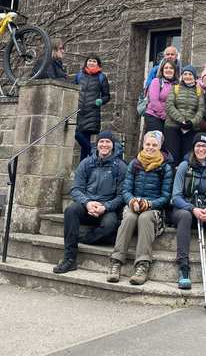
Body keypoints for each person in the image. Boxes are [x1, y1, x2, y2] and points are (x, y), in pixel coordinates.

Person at [54, 130, 127, 274]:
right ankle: (69, 259)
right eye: (101, 142)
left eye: (108, 142)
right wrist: (87, 203)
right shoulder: (87, 163)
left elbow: (121, 196)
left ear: (113, 145)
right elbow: (75, 189)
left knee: (110, 224)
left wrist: (105, 207)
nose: (104, 145)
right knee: (71, 210)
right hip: (87, 205)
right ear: (97, 144)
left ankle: (79, 236)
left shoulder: (120, 166)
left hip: (108, 208)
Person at [108, 130, 173, 285]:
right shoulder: (134, 164)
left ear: (160, 146)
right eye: (148, 144)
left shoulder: (165, 167)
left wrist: (149, 204)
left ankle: (142, 265)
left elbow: (166, 196)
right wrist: (131, 201)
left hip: (153, 208)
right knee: (130, 217)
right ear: (143, 144)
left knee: (145, 217)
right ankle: (116, 261)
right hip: (134, 205)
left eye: (154, 145)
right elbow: (126, 190)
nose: (150, 147)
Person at [172, 132, 206, 290]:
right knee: (185, 216)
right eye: (198, 146)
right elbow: (176, 196)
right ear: (193, 148)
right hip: (185, 207)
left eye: (204, 146)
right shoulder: (184, 166)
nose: (201, 149)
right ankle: (183, 267)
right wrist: (192, 208)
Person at [164, 65, 205, 167]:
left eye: (190, 74)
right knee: (173, 157)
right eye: (185, 74)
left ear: (194, 77)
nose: (187, 76)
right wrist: (181, 120)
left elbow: (201, 110)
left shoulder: (199, 91)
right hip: (173, 126)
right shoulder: (175, 88)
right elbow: (169, 105)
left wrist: (192, 122)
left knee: (187, 158)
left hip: (191, 128)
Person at [74, 55, 111, 163]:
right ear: (86, 63)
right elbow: (72, 89)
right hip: (78, 111)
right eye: (89, 61)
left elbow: (106, 96)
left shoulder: (101, 77)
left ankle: (82, 167)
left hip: (92, 112)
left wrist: (100, 101)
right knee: (76, 134)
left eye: (94, 61)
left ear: (98, 64)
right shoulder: (79, 75)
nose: (91, 63)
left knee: (84, 141)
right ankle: (94, 152)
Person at [144, 59, 177, 135]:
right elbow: (154, 101)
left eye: (171, 68)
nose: (168, 70)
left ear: (175, 71)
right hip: (154, 117)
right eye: (166, 68)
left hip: (170, 120)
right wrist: (164, 115)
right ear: (162, 70)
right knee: (156, 142)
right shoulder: (156, 81)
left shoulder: (176, 85)